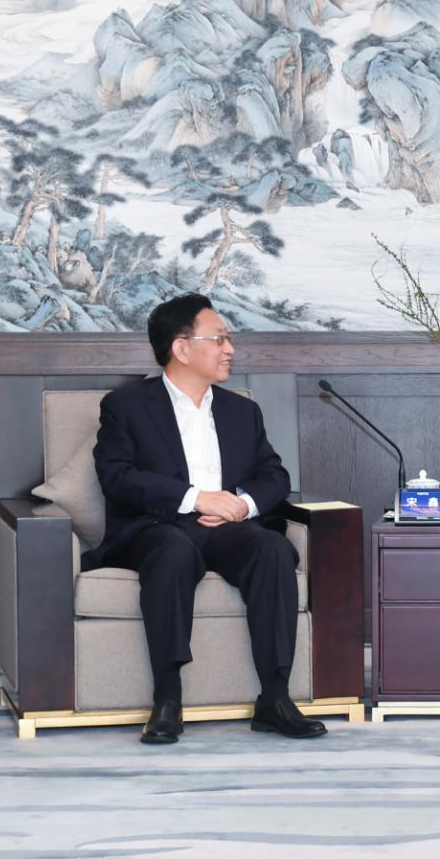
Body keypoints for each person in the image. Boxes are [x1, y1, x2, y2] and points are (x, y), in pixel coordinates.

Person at [83, 293, 326, 744]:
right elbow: (117, 477)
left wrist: (241, 505)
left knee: (272, 549)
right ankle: (167, 699)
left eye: (228, 339)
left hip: (227, 528)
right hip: (157, 527)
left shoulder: (242, 410)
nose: (229, 349)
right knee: (173, 552)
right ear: (181, 348)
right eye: (219, 339)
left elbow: (274, 475)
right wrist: (198, 499)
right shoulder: (126, 405)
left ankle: (275, 699)